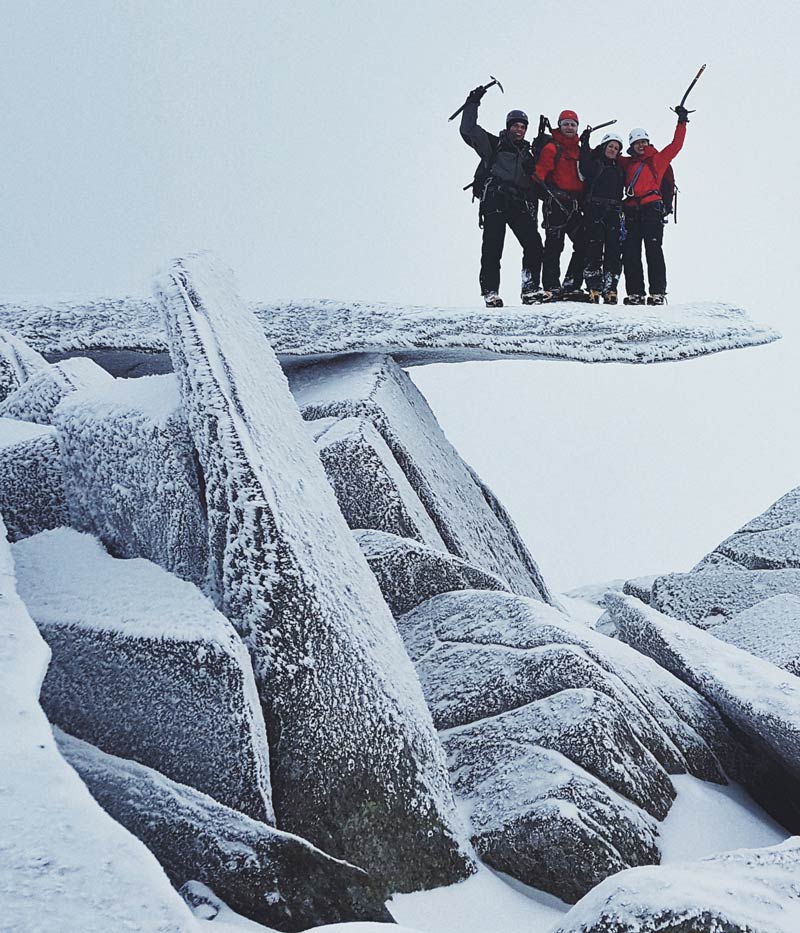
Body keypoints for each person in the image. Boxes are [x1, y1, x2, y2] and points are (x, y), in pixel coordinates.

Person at [459, 86, 543, 308]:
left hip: (519, 202)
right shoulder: (494, 144)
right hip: (496, 198)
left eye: (523, 126)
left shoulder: (529, 153)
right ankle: (490, 291)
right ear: (508, 127)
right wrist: (473, 103)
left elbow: (538, 183)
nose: (519, 129)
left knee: (534, 242)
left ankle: (530, 288)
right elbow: (469, 130)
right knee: (493, 246)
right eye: (516, 125)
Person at [621, 106, 689, 305]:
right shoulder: (626, 163)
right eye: (637, 142)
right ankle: (636, 293)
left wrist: (682, 122)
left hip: (651, 208)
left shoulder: (657, 160)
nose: (641, 145)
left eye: (644, 142)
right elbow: (607, 155)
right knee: (631, 252)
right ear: (631, 146)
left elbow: (676, 145)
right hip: (632, 210)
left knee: (653, 250)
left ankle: (657, 293)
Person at [533, 109, 586, 300]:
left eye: (573, 124)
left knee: (583, 243)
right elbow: (539, 174)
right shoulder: (551, 148)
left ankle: (571, 284)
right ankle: (551, 286)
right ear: (559, 125)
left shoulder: (580, 150)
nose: (569, 127)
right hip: (555, 202)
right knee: (554, 245)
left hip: (574, 204)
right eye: (566, 124)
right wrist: (544, 196)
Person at [578, 130, 626, 304]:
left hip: (613, 211)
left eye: (616, 148)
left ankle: (611, 287)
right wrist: (584, 144)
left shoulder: (620, 168)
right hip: (594, 210)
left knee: (614, 250)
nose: (613, 150)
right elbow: (584, 166)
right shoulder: (595, 163)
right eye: (610, 146)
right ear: (604, 146)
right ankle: (593, 286)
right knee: (594, 248)